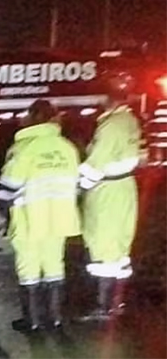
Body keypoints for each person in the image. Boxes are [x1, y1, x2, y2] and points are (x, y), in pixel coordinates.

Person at [0, 99, 81, 332]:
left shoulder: (23, 148)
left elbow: (8, 188)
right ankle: (56, 319)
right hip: (60, 218)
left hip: (29, 219)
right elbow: (76, 185)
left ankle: (32, 321)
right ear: (54, 118)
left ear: (31, 117)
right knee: (55, 265)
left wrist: (6, 217)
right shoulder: (67, 148)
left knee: (28, 268)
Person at [77, 72, 142, 321]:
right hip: (124, 189)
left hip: (107, 193)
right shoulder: (128, 120)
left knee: (103, 245)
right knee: (119, 246)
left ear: (107, 99)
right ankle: (116, 302)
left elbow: (96, 163)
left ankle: (104, 307)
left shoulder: (110, 125)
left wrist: (80, 185)